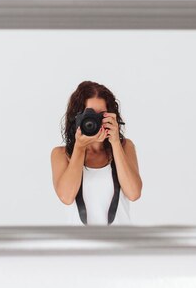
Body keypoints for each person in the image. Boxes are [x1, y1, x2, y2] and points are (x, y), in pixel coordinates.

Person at [50, 81, 142, 225]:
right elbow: (66, 197)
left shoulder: (124, 147)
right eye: (90, 114)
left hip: (121, 243)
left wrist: (116, 143)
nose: (95, 121)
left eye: (101, 115)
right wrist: (79, 147)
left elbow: (134, 193)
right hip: (78, 245)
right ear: (77, 118)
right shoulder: (61, 154)